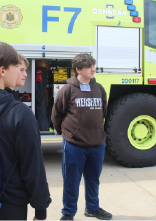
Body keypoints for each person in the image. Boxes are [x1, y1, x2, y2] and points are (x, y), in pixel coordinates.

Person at [51, 54, 112, 220]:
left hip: (97, 144)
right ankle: (68, 213)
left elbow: (103, 112)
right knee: (71, 181)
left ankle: (92, 208)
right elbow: (56, 116)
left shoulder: (99, 89)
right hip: (74, 145)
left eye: (93, 65)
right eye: (88, 66)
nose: (93, 69)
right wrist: (68, 135)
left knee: (93, 180)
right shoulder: (67, 90)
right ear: (78, 69)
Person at [0, 42, 51, 220]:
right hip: (9, 207)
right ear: (2, 71)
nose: (22, 73)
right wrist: (41, 209)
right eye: (17, 67)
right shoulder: (20, 114)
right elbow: (33, 167)